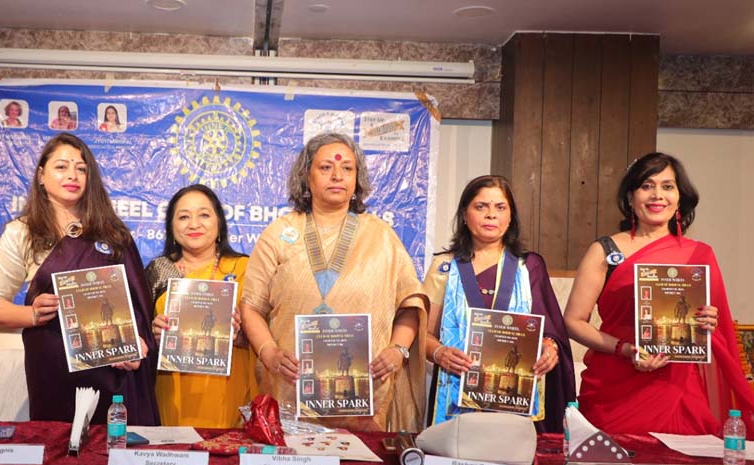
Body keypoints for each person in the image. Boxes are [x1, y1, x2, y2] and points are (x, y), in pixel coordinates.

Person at [240, 132, 428, 432]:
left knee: (361, 463)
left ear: (357, 178)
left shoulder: (381, 236)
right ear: (307, 176)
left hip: (366, 397)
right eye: (326, 167)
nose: (337, 175)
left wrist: (397, 350)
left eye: (347, 168)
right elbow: (252, 306)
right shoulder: (278, 233)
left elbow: (410, 305)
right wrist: (270, 353)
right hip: (290, 390)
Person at [564, 152, 754, 435]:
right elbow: (573, 321)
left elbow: (716, 335)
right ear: (631, 197)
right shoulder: (605, 251)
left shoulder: (699, 255)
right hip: (614, 388)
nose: (657, 195)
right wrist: (625, 349)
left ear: (679, 197)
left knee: (682, 461)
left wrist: (708, 323)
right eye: (646, 186)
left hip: (678, 390)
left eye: (667, 186)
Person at [0, 133, 159, 425]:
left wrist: (136, 342)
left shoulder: (113, 234)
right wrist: (32, 314)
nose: (72, 175)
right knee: (56, 446)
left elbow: (136, 307)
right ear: (41, 175)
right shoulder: (21, 232)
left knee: (111, 447)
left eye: (81, 168)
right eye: (61, 167)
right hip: (52, 369)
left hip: (111, 371)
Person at [423, 175, 575, 432]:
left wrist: (549, 349)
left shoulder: (529, 267)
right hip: (455, 398)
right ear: (464, 214)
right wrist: (440, 353)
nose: (491, 215)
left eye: (500, 207)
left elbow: (550, 333)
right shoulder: (444, 266)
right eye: (481, 206)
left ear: (510, 216)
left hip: (515, 402)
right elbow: (423, 335)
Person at [145, 184, 258, 428]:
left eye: (204, 215)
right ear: (171, 227)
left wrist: (241, 336)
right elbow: (137, 341)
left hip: (229, 393)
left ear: (219, 224)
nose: (194, 224)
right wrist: (153, 336)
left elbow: (271, 337)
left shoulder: (245, 269)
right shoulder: (158, 271)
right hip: (171, 393)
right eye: (184, 217)